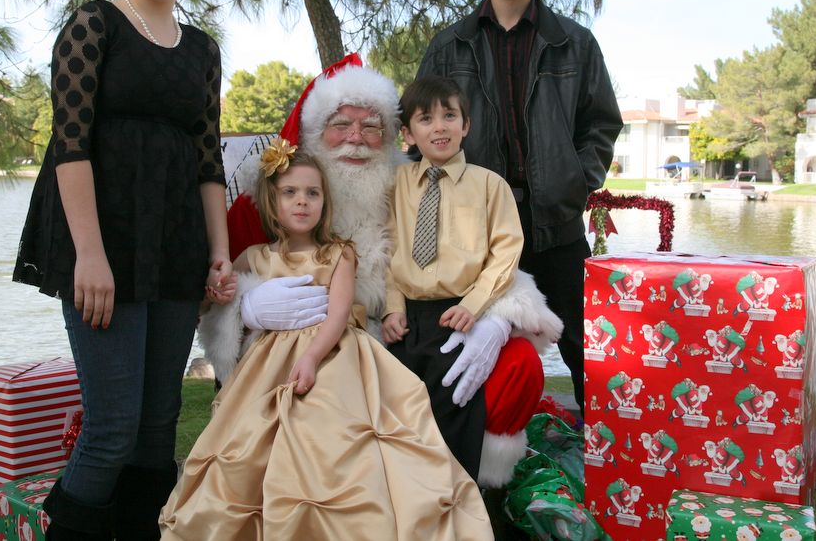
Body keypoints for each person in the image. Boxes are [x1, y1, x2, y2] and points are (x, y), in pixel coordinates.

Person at [202, 55, 561, 525]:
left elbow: (479, 252)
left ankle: (471, 496)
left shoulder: (409, 185)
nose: (355, 138)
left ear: (394, 135)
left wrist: (496, 316)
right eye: (340, 124)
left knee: (517, 364)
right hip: (309, 350)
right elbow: (213, 286)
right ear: (314, 131)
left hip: (404, 330)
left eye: (371, 126)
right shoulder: (276, 191)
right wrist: (246, 306)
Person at [13, 0, 230, 540]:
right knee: (111, 429)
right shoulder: (94, 25)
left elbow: (207, 159)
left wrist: (218, 253)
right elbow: (70, 145)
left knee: (158, 425)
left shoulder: (201, 49)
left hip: (174, 247)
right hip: (100, 244)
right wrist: (90, 254)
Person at [161, 146, 493, 540]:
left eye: (312, 193)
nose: (302, 201)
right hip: (268, 366)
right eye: (290, 192)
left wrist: (312, 357)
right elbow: (219, 297)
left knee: (329, 435)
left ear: (324, 201)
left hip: (333, 356)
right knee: (253, 439)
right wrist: (225, 294)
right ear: (273, 201)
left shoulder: (338, 254)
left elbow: (337, 316)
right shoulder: (254, 257)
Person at [416, 0, 623, 415]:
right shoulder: (449, 47)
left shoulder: (573, 43)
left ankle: (604, 465)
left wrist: (574, 184)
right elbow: (422, 127)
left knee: (586, 350)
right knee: (470, 346)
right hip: (476, 229)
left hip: (554, 222)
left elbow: (601, 123)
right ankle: (474, 473)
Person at [382, 75, 562, 482]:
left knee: (456, 401)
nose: (440, 126)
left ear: (466, 124)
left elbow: (505, 253)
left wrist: (473, 306)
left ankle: (460, 498)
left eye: (450, 115)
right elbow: (386, 250)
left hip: (463, 312)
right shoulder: (396, 186)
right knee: (404, 409)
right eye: (426, 119)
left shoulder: (488, 185)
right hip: (408, 317)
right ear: (408, 133)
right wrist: (393, 306)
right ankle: (405, 499)